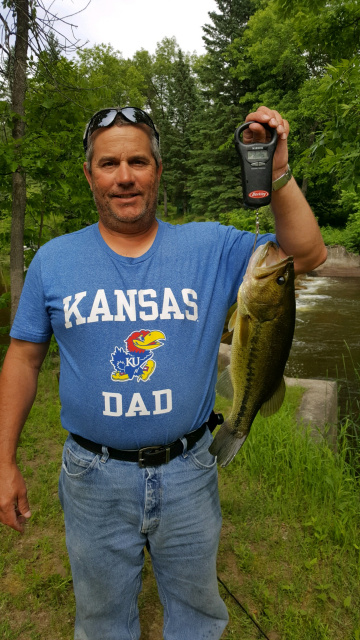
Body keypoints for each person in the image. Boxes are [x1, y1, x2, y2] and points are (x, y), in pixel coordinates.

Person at [0, 105, 327, 640]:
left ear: (158, 170)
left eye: (138, 161)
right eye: (109, 164)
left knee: (197, 616)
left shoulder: (212, 247)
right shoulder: (54, 260)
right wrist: (4, 460)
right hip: (92, 477)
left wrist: (276, 172)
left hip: (189, 472)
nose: (124, 176)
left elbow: (306, 253)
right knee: (102, 620)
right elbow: (23, 358)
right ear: (90, 174)